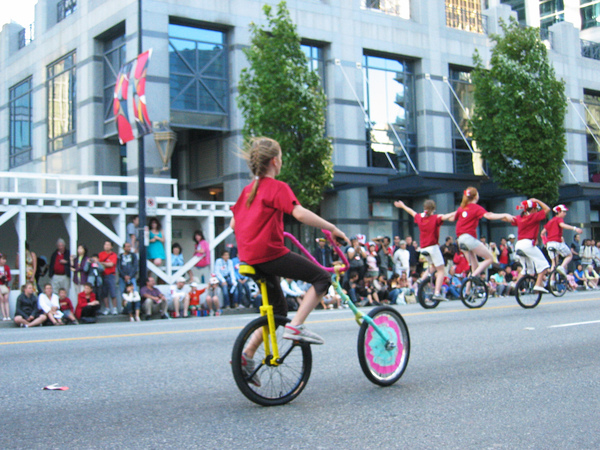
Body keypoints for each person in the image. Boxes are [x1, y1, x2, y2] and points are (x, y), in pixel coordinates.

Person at [229, 136, 348, 354]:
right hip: (270, 255)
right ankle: (295, 326)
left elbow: (233, 224)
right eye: (281, 158)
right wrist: (332, 228)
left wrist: (260, 227)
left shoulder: (247, 191)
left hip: (249, 258)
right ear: (275, 161)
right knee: (322, 278)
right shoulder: (277, 187)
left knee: (278, 310)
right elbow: (299, 214)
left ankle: (247, 354)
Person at [445, 187, 512, 279]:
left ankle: (468, 290)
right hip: (469, 238)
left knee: (474, 266)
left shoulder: (462, 208)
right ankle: (473, 276)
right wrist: (503, 215)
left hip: (460, 240)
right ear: (476, 196)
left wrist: (453, 213)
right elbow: (489, 216)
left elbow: (451, 219)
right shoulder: (476, 208)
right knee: (490, 258)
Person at [394, 199, 452, 301]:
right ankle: (437, 293)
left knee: (433, 265)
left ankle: (422, 279)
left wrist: (402, 205)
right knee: (441, 270)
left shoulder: (420, 217)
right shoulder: (435, 217)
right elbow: (447, 216)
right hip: (433, 247)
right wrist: (459, 211)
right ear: (433, 209)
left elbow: (411, 212)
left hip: (423, 247)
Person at [509, 199, 551, 293]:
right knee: (544, 265)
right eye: (536, 209)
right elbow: (547, 209)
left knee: (526, 269)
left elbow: (511, 219)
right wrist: (537, 200)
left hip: (519, 244)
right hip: (528, 244)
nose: (537, 211)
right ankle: (538, 285)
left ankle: (516, 285)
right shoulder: (534, 216)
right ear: (532, 210)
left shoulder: (520, 218)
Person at [541, 204, 583, 276]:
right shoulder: (559, 219)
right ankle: (562, 267)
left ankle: (551, 281)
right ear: (558, 212)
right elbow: (562, 225)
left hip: (549, 244)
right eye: (563, 212)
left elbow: (542, 233)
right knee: (569, 255)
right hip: (557, 243)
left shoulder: (550, 221)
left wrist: (545, 242)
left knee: (554, 263)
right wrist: (575, 228)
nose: (565, 214)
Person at [99, 240, 119, 315]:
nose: (106, 246)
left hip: (111, 275)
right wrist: (105, 263)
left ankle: (114, 308)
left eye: (108, 245)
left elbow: (111, 264)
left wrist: (103, 263)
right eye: (105, 244)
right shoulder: (100, 254)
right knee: (104, 293)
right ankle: (107, 308)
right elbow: (98, 263)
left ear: (111, 246)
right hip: (103, 275)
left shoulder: (113, 255)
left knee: (113, 292)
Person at [0, 253, 12, 320]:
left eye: (5, 259)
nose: (4, 261)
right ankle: (4, 316)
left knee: (6, 299)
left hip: (5, 285)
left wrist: (6, 279)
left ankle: (8, 315)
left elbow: (9, 277)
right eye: (3, 259)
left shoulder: (6, 267)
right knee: (1, 299)